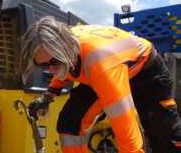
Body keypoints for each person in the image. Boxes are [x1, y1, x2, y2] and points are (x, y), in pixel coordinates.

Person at [20, 16, 181, 153]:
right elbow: (63, 69)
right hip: (103, 65)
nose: (51, 70)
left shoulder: (101, 66)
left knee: (163, 136)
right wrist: (49, 95)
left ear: (69, 50)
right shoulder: (63, 50)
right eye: (43, 65)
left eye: (56, 61)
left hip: (146, 73)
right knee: (70, 123)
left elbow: (125, 127)